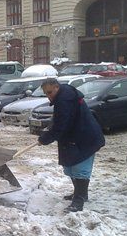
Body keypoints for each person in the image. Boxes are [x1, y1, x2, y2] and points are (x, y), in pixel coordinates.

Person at [37, 78, 105, 212]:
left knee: (80, 168)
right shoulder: (64, 95)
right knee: (71, 166)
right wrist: (49, 130)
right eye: (46, 93)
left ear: (57, 87)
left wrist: (45, 139)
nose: (48, 96)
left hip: (84, 138)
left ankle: (78, 201)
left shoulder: (64, 100)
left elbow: (61, 125)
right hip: (75, 136)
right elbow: (60, 120)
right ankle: (80, 194)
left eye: (50, 92)